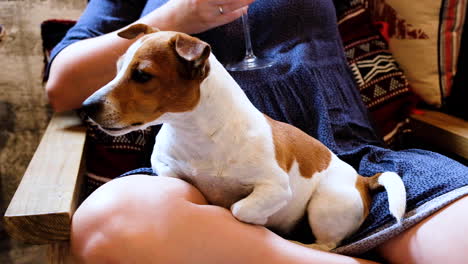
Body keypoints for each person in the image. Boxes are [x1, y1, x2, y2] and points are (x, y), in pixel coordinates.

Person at [46, 0, 468, 263]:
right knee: (107, 226)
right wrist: (180, 14)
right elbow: (61, 86)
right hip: (194, 172)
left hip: (348, 157)